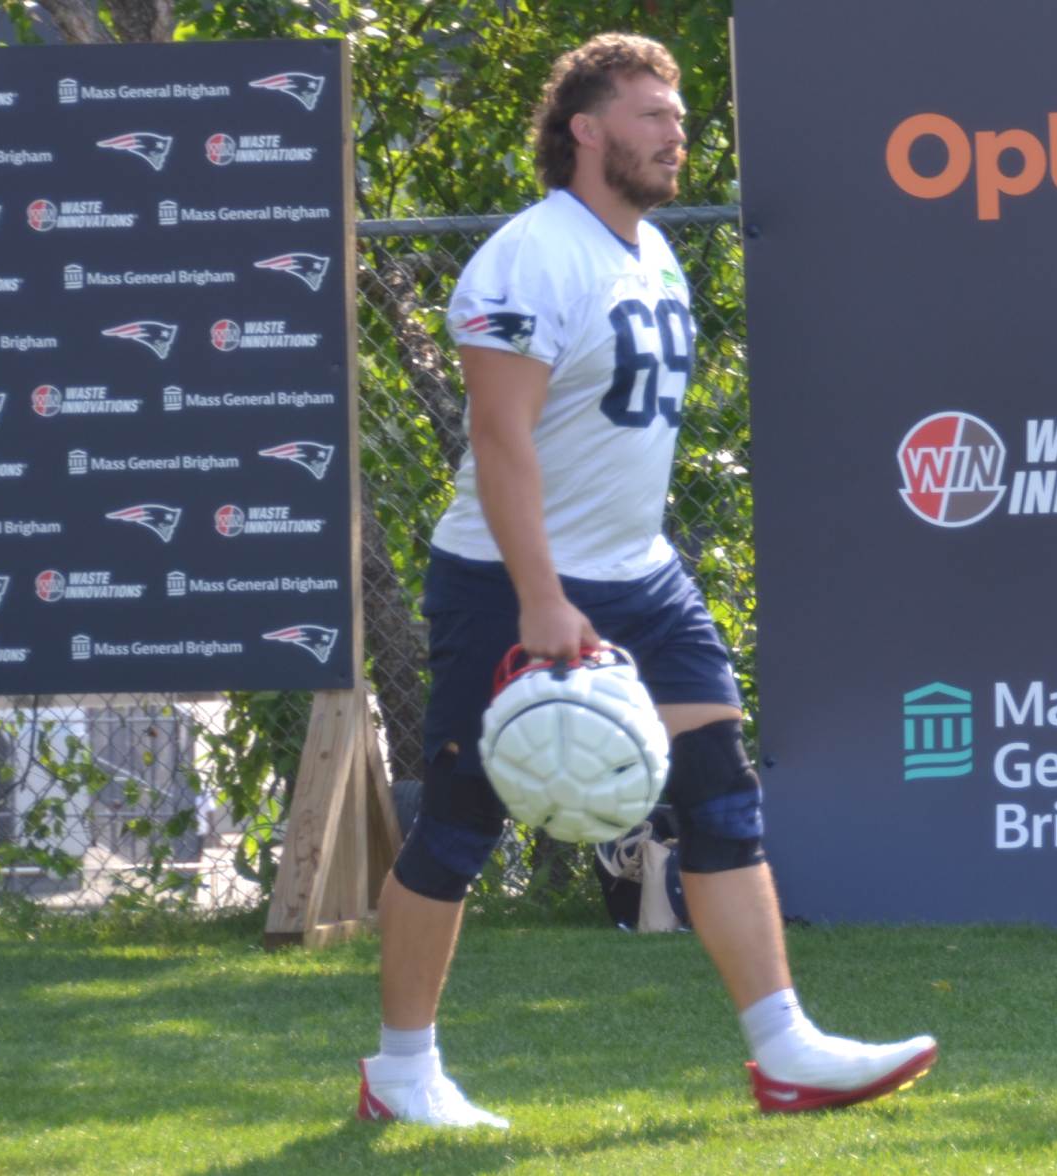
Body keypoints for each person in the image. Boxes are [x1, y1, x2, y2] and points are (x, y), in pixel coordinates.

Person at [358, 32, 937, 1128]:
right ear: (584, 130)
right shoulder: (531, 256)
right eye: (651, 115)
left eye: (679, 117)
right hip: (508, 580)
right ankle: (400, 1072)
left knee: (721, 795)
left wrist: (616, 569)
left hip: (640, 574)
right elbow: (498, 436)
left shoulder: (650, 250)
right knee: (456, 828)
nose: (679, 133)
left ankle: (784, 1050)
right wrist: (539, 599)